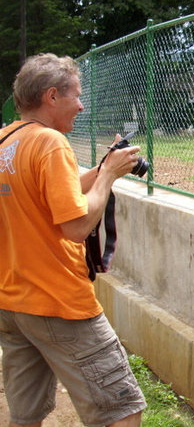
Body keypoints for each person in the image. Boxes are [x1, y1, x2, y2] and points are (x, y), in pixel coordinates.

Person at [0, 54, 146, 426]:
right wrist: (109, 177)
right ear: (51, 96)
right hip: (58, 301)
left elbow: (42, 196)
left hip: (13, 303)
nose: (82, 106)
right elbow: (77, 226)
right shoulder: (50, 142)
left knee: (26, 415)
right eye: (77, 96)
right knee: (123, 410)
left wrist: (101, 168)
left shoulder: (6, 140)